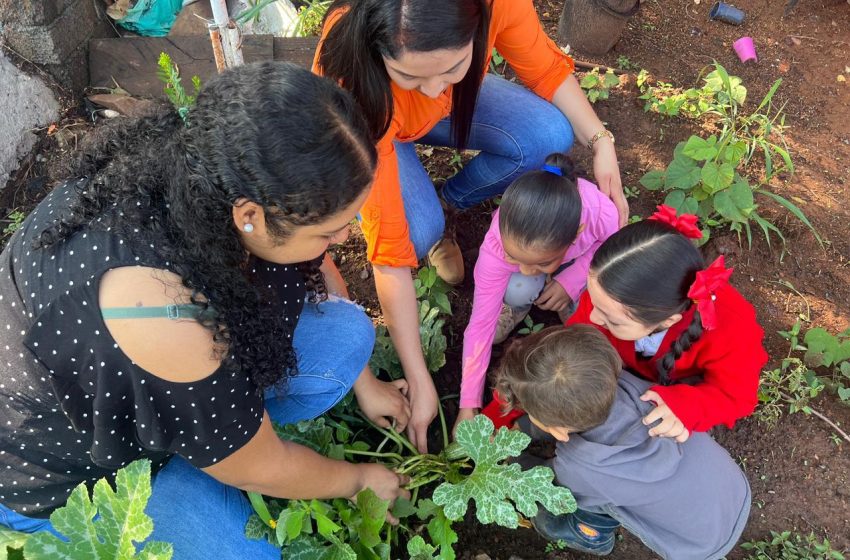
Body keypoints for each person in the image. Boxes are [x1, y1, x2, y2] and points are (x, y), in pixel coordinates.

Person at [0, 62, 412, 559]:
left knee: (345, 335)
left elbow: (313, 266)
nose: (344, 239)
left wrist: (365, 383)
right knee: (251, 554)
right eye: (329, 231)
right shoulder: (166, 314)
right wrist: (358, 480)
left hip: (145, 384)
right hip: (58, 476)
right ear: (250, 217)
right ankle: (198, 459)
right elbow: (261, 466)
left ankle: (206, 442)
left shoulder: (211, 169)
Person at [313, 0, 627, 452]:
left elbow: (545, 70)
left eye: (456, 65)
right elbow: (389, 257)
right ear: (377, 49)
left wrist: (601, 141)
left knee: (547, 136)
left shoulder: (494, 5)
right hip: (377, 123)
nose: (431, 89)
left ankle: (451, 200)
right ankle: (436, 221)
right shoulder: (351, 82)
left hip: (444, 112)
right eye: (410, 75)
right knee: (416, 233)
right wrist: (421, 380)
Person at [484, 206, 768, 439]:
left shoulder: (731, 328)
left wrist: (686, 406)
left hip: (669, 393)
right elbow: (555, 367)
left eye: (611, 320)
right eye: (592, 301)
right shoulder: (611, 295)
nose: (592, 319)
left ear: (668, 320)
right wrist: (495, 416)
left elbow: (737, 396)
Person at [496, 325, 752, 559]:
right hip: (733, 490)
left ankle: (590, 534)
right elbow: (571, 406)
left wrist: (513, 459)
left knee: (583, 503)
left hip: (698, 545)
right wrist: (529, 427)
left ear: (560, 432)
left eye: (532, 415)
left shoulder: (579, 468)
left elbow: (548, 482)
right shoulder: (633, 388)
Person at [455, 153, 618, 432]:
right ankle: (517, 307)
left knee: (593, 302)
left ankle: (566, 293)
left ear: (577, 233)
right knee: (520, 286)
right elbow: (480, 326)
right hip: (551, 253)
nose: (528, 269)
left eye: (540, 264)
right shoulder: (496, 246)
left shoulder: (600, 213)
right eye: (514, 258)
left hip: (577, 261)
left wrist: (570, 280)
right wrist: (468, 405)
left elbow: (610, 247)